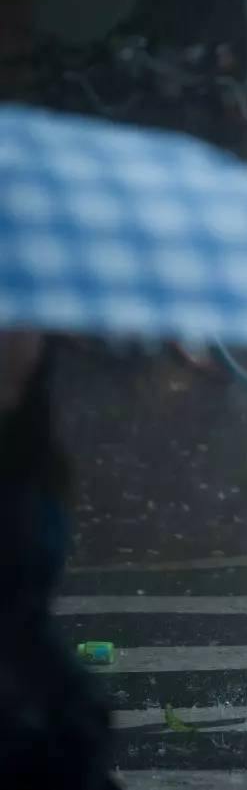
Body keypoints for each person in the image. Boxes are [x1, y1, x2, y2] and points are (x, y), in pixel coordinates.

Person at [1, 332, 119, 788]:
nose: (13, 341)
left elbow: (24, 615)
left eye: (24, 329)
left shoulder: (27, 441)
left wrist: (78, 709)